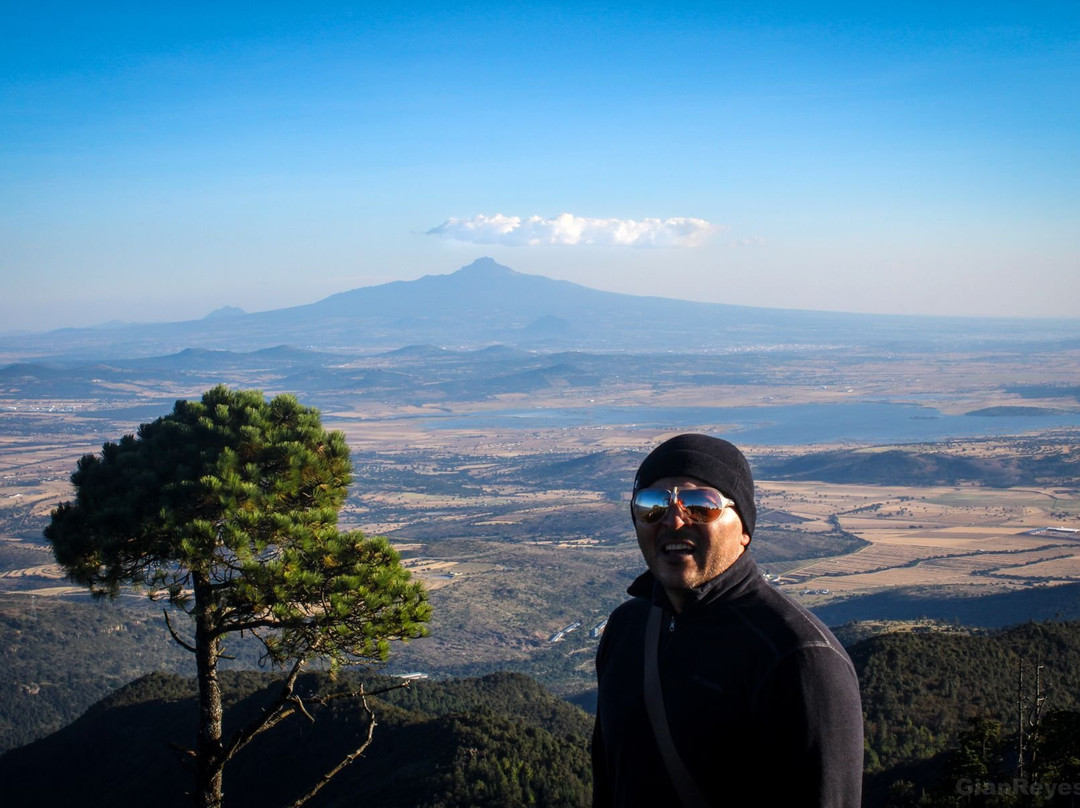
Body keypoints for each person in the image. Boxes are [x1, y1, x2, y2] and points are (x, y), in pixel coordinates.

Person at [592, 434, 863, 807]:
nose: (673, 520)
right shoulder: (626, 630)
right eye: (652, 504)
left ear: (744, 529)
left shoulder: (798, 656)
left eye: (700, 505)